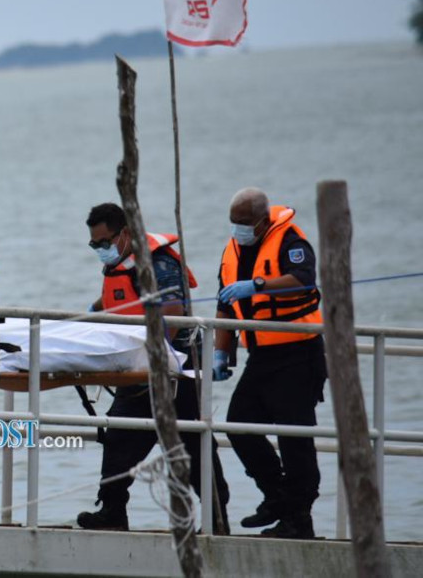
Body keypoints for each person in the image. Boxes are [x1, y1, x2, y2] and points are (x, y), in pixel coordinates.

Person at [76, 203, 230, 532]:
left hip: (177, 370)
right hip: (135, 368)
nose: (101, 250)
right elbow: (120, 298)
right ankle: (112, 511)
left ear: (125, 233)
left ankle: (217, 519)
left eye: (104, 242)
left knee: (192, 445)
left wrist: (154, 356)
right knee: (118, 438)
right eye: (94, 245)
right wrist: (92, 314)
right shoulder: (118, 262)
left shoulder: (158, 262)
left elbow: (172, 311)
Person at [216, 187, 327, 539]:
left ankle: (299, 519)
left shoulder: (289, 240)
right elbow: (224, 305)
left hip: (299, 353)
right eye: (234, 224)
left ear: (263, 221)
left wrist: (257, 285)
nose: (239, 230)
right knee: (239, 425)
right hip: (260, 356)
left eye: (245, 224)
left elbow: (302, 279)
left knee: (295, 437)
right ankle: (276, 496)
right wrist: (221, 352)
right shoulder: (232, 251)